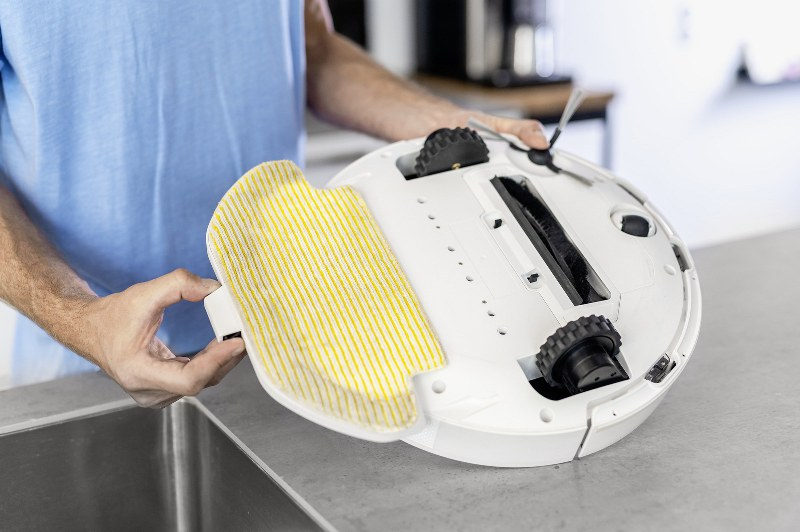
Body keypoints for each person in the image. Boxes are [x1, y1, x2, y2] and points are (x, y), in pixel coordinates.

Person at [0, 0, 548, 407]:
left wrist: (452, 129)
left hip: (292, 342)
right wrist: (82, 319)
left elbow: (315, 52)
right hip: (85, 359)